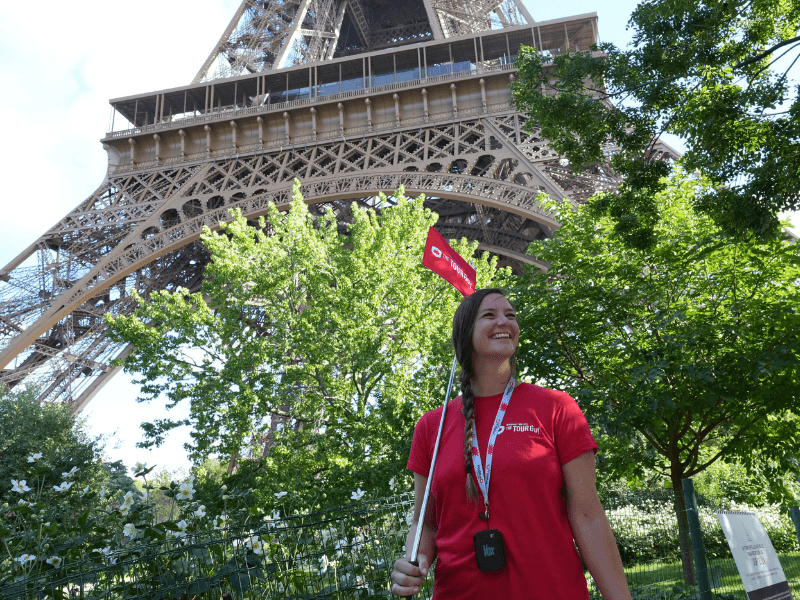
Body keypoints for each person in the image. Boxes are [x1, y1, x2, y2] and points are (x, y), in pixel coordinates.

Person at [390, 288, 632, 599]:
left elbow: (588, 514)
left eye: (511, 315)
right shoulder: (430, 427)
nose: (504, 321)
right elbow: (425, 524)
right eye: (489, 315)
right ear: (465, 334)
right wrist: (412, 562)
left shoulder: (557, 408)